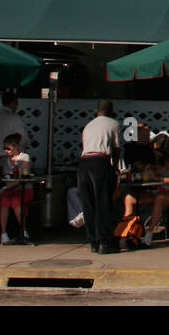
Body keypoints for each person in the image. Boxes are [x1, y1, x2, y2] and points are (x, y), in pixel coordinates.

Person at [124, 133, 169, 247]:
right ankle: (128, 231)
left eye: (157, 151)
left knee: (159, 198)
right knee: (130, 198)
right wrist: (147, 168)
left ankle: (148, 235)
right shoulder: (160, 159)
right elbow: (156, 172)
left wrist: (158, 177)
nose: (155, 153)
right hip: (160, 190)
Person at [77, 100, 122, 254]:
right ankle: (104, 242)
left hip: (84, 163)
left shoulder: (88, 125)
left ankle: (93, 242)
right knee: (102, 202)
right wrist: (115, 167)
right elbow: (116, 149)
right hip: (100, 162)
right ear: (111, 111)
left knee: (88, 204)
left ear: (97, 111)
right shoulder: (113, 124)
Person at [0, 133, 35, 245]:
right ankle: (3, 233)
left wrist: (3, 188)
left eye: (8, 148)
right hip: (9, 190)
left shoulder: (24, 158)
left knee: (15, 200)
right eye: (4, 149)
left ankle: (24, 231)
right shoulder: (5, 160)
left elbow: (22, 177)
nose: (6, 151)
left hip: (23, 189)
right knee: (4, 200)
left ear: (16, 146)